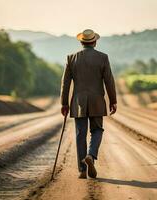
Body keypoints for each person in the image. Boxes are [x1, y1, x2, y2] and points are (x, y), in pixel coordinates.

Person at [60, 29, 117, 179]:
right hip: (97, 100)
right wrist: (113, 101)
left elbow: (65, 84)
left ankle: (82, 170)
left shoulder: (71, 58)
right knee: (97, 130)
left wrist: (64, 104)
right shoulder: (103, 58)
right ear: (94, 42)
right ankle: (91, 156)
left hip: (79, 102)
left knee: (80, 134)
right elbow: (109, 81)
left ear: (81, 42)